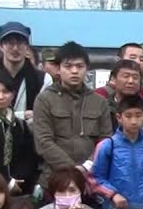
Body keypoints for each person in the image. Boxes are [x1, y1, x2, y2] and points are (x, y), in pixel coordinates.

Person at [31, 41, 112, 193]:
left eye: (80, 66)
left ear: (87, 68)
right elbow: (43, 142)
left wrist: (87, 166)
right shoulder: (45, 99)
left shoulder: (99, 101)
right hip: (55, 180)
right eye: (68, 66)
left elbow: (105, 141)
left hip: (91, 181)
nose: (74, 71)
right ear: (58, 69)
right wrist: (73, 171)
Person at [92, 95, 143, 209]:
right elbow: (95, 178)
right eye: (128, 116)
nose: (134, 121)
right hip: (116, 207)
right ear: (119, 118)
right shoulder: (108, 145)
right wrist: (113, 194)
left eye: (138, 115)